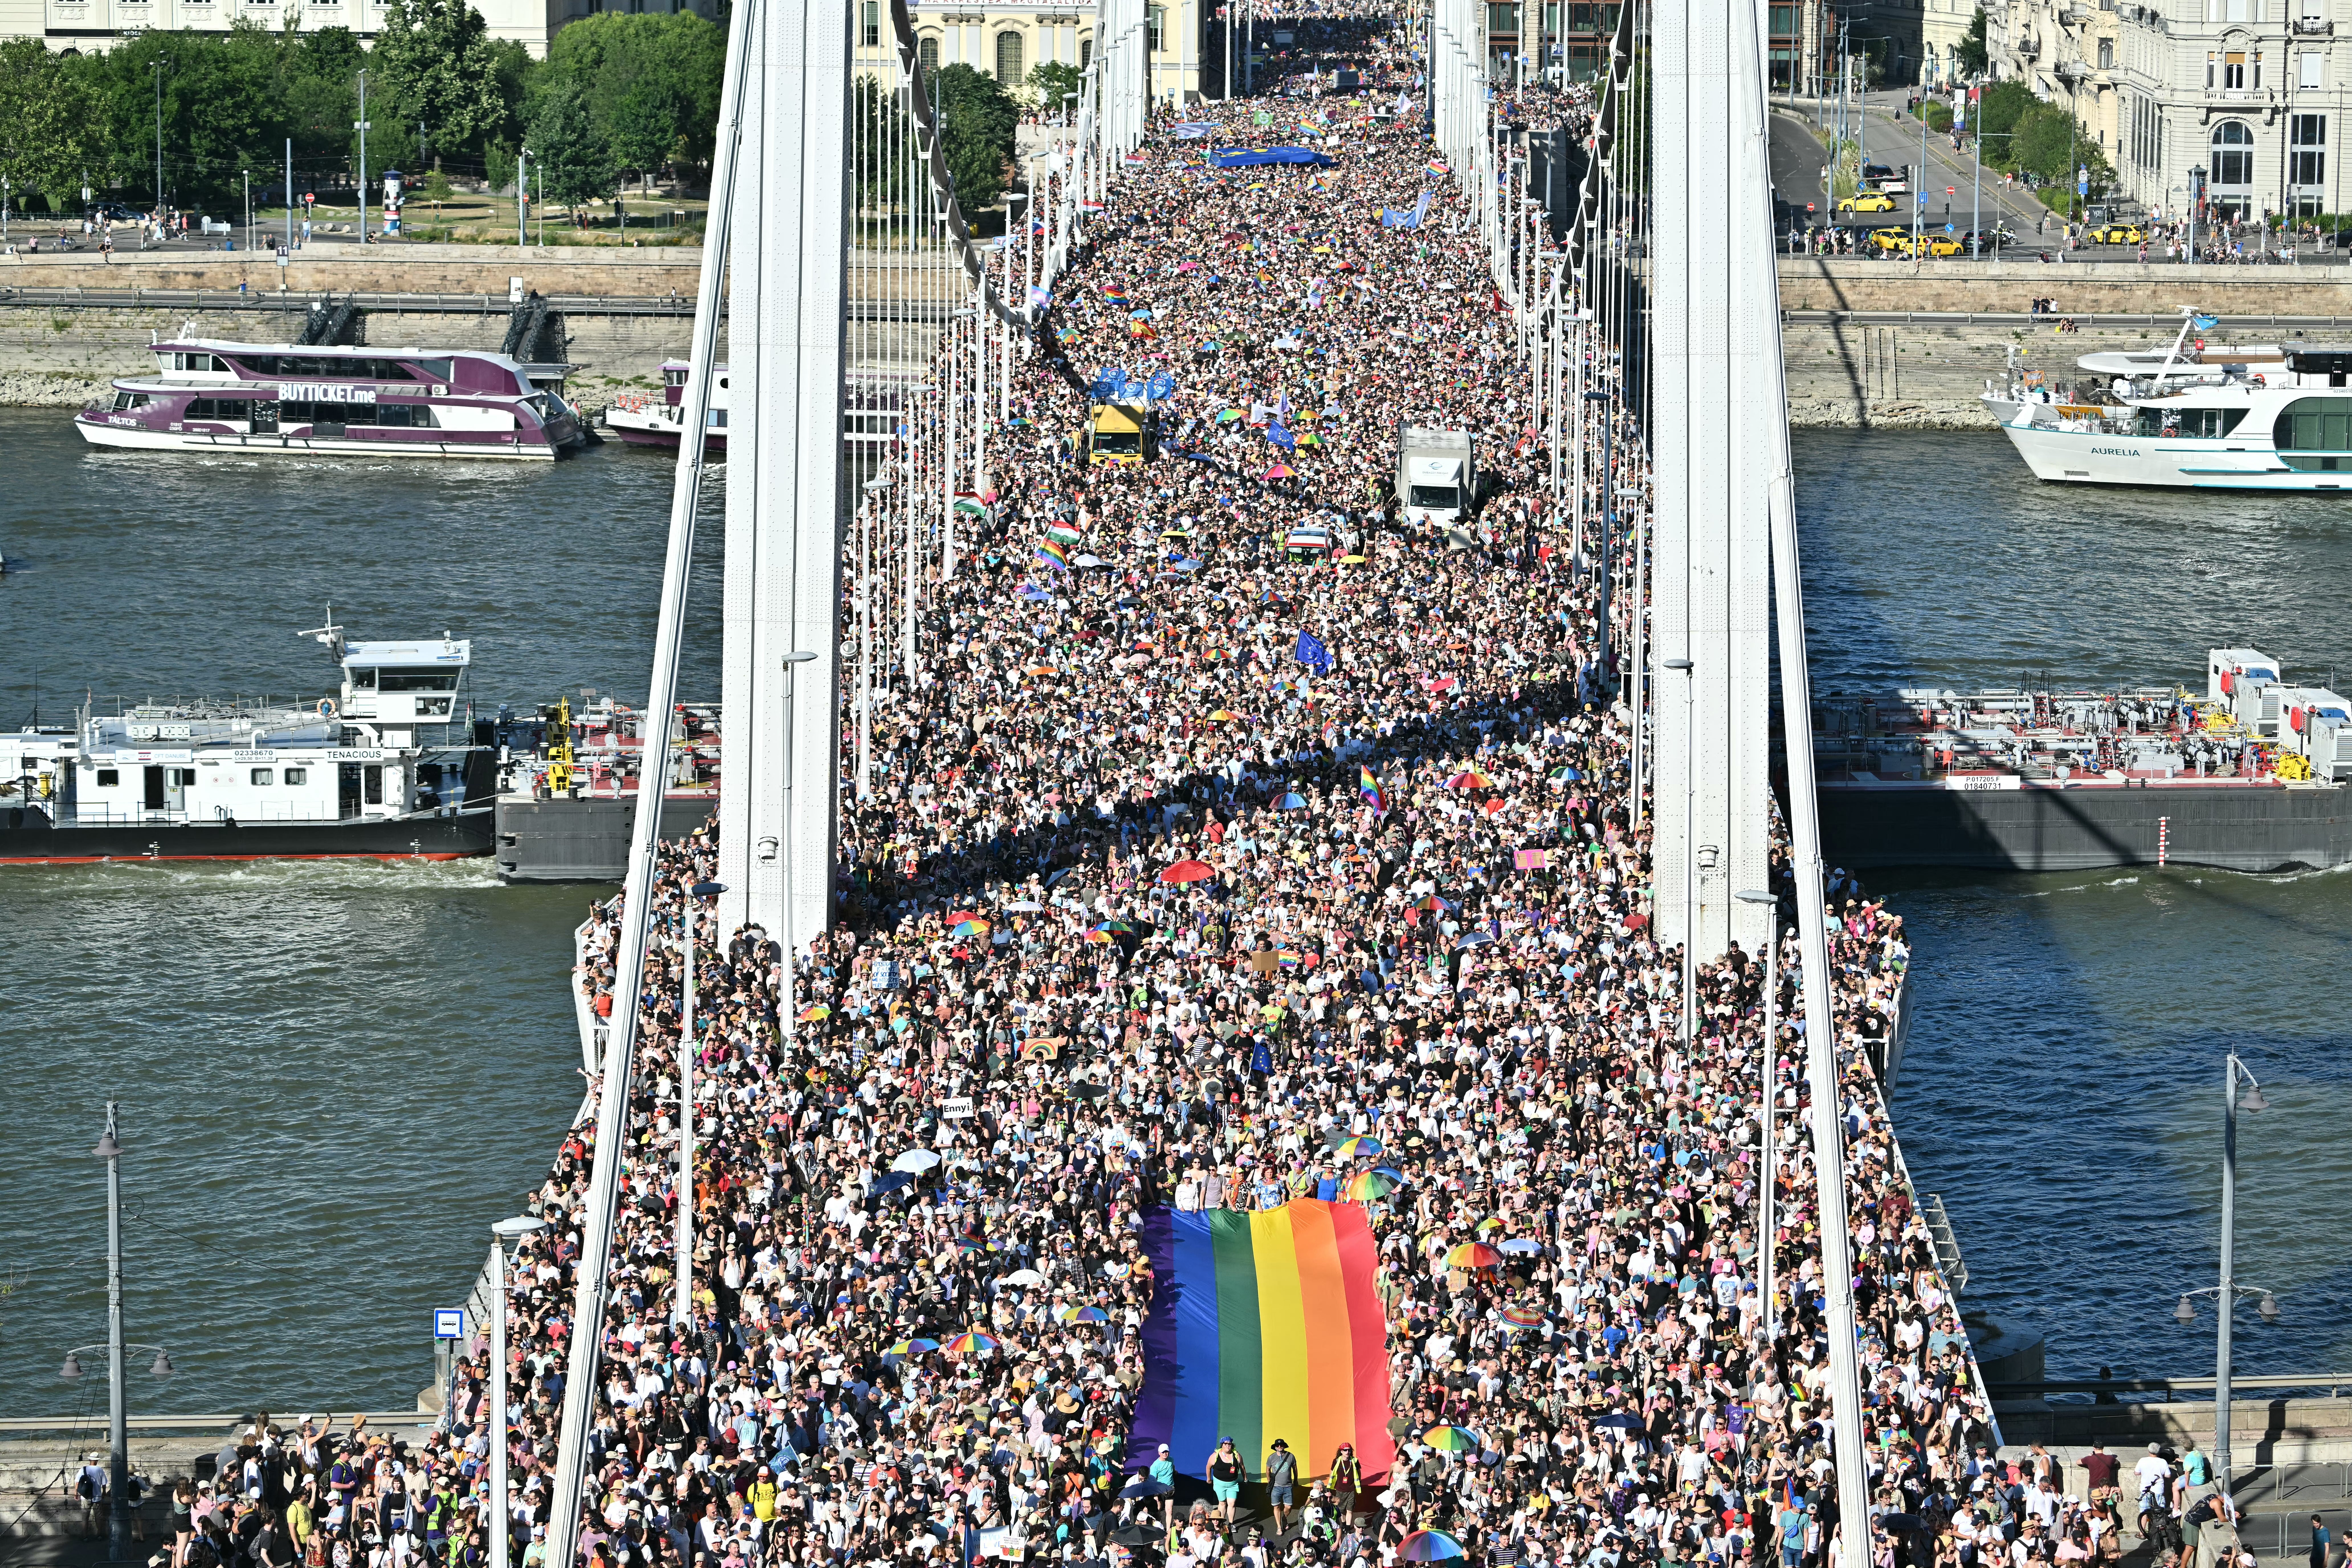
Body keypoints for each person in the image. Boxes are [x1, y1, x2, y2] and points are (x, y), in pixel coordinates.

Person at [1208, 1438, 1244, 1528]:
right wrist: (1209, 1479)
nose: (1228, 1446)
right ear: (1222, 1445)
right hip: (1220, 1485)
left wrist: (1246, 1479)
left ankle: (1231, 1525)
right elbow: (1208, 1467)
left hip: (1233, 1485)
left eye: (1230, 1444)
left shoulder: (1237, 1455)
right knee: (1223, 1503)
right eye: (1226, 1444)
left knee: (1232, 1503)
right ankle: (1221, 1523)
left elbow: (1242, 1467)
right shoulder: (1215, 1455)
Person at [1264, 1439, 1297, 1538]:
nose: (1280, 1447)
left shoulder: (1291, 1456)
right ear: (1275, 1447)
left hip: (1288, 1487)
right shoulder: (1271, 1458)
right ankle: (1279, 1527)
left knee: (1289, 1507)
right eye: (1278, 1445)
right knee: (1277, 1507)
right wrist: (1270, 1482)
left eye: (1281, 1445)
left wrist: (1296, 1480)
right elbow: (1268, 1470)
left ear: (1284, 1446)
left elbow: (1295, 1468)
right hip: (1276, 1487)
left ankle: (1284, 1518)